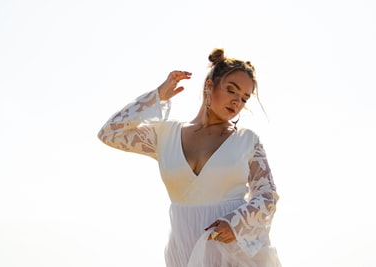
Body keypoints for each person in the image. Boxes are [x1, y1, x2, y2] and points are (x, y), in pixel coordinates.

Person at [97, 48, 281, 267]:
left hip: (232, 251)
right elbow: (110, 133)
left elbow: (267, 196)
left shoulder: (247, 141)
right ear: (208, 86)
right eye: (231, 90)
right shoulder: (165, 135)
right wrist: (157, 96)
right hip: (182, 250)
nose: (236, 102)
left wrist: (236, 224)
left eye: (244, 98)